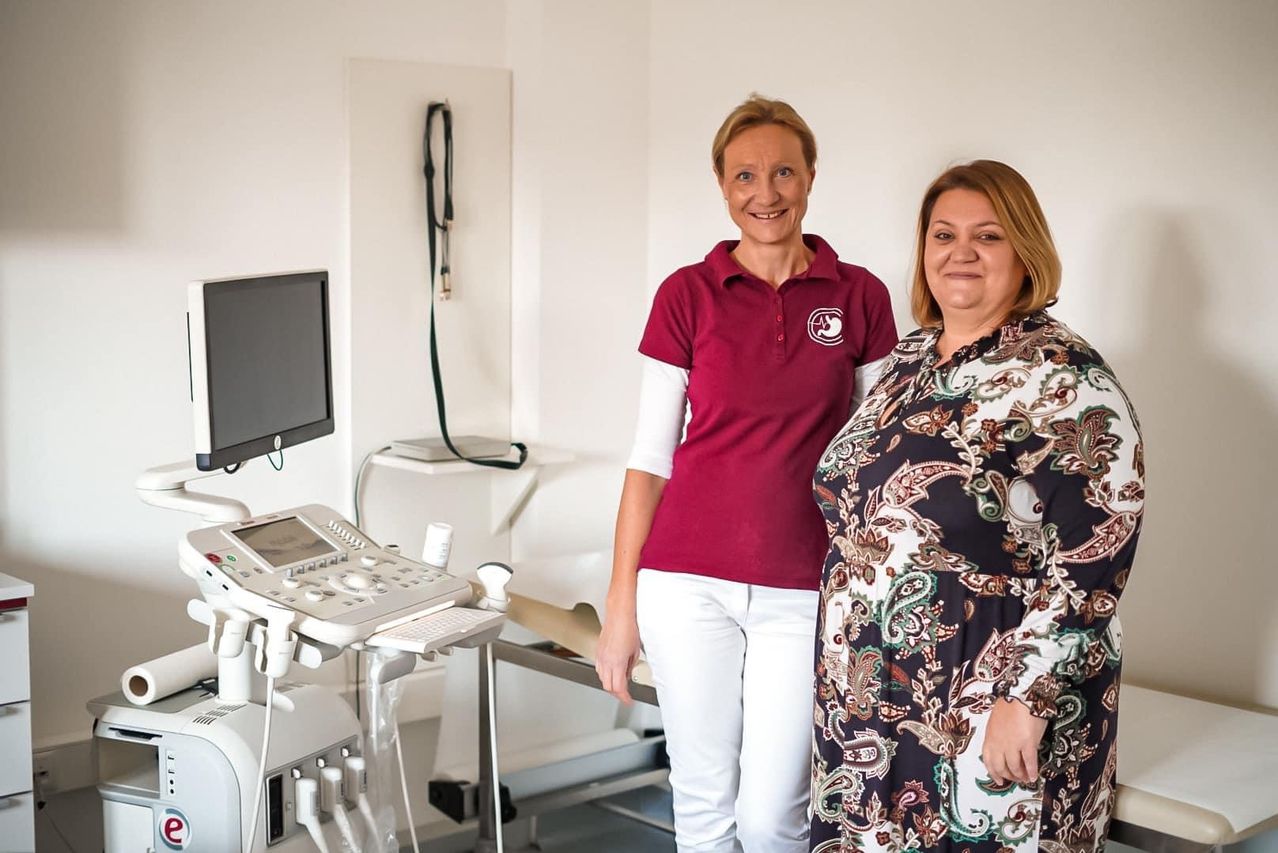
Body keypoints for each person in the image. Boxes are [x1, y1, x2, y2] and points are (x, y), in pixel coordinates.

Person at [809, 160, 1145, 852]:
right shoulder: (908, 361)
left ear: (1025, 253)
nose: (960, 253)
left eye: (987, 236)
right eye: (943, 234)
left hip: (987, 707)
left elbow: (1096, 559)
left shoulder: (1066, 378)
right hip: (872, 708)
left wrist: (1026, 700)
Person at [595, 95, 899, 853]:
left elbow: (880, 459)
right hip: (684, 579)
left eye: (784, 172)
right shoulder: (686, 295)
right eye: (745, 176)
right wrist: (619, 605)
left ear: (811, 177)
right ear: (723, 186)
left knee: (772, 817)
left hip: (805, 584)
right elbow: (649, 460)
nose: (766, 193)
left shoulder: (859, 296)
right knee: (703, 806)